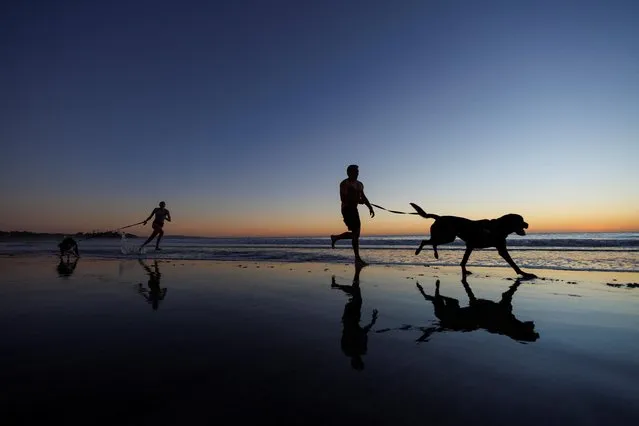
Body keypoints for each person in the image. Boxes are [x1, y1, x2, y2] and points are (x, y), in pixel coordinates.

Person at [330, 164, 374, 265]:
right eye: (355, 172)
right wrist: (358, 201)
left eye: (357, 172)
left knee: (356, 235)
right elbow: (343, 199)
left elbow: (363, 196)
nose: (357, 173)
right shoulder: (344, 184)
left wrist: (370, 207)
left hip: (354, 209)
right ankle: (357, 259)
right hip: (347, 209)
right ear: (349, 173)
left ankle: (336, 238)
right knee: (355, 235)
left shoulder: (359, 184)